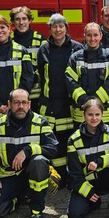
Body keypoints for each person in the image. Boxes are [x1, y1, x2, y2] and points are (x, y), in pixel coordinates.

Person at [0, 89, 58, 218]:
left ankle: (36, 210)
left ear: (29, 104)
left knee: (39, 161)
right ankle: (20, 199)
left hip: (31, 174)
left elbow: (53, 148)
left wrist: (28, 150)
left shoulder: (41, 123)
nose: (20, 106)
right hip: (8, 176)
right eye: (16, 103)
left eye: (24, 103)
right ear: (9, 104)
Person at [37, 13, 84, 186]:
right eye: (54, 26)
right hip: (51, 104)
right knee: (54, 140)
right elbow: (41, 76)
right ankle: (59, 177)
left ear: (66, 28)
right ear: (49, 29)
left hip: (71, 104)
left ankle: (72, 176)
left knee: (70, 141)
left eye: (61, 26)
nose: (58, 29)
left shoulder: (77, 48)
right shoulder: (44, 49)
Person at [66, 98, 109, 218]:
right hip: (88, 181)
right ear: (83, 115)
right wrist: (88, 192)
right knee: (74, 215)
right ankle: (94, 200)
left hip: (108, 177)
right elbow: (73, 172)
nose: (94, 118)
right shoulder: (74, 140)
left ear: (102, 115)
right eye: (90, 114)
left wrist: (100, 161)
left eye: (97, 114)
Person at [66, 22, 109, 124]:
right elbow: (70, 82)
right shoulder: (75, 58)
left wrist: (94, 102)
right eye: (89, 35)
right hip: (81, 114)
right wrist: (85, 100)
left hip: (105, 114)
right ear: (84, 36)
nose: (92, 39)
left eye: (95, 35)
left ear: (101, 36)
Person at [10, 6, 46, 112]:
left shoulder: (40, 39)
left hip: (36, 93)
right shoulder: (8, 40)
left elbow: (45, 66)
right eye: (17, 19)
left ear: (30, 20)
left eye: (24, 19)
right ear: (13, 21)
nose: (21, 23)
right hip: (15, 93)